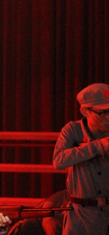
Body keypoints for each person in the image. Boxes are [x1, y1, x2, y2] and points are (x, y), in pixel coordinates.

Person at [53, 83, 109, 235]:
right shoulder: (72, 130)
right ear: (85, 111)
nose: (108, 117)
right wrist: (96, 147)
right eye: (103, 112)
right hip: (80, 216)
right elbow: (59, 160)